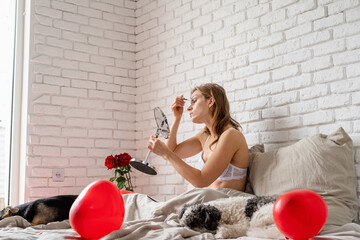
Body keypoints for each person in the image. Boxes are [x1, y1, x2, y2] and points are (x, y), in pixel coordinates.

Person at [147, 83, 249, 192]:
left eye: (194, 101)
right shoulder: (205, 136)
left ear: (210, 102)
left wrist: (166, 153)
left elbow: (201, 180)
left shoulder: (231, 135)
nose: (189, 108)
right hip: (207, 201)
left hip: (226, 201)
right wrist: (177, 117)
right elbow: (173, 151)